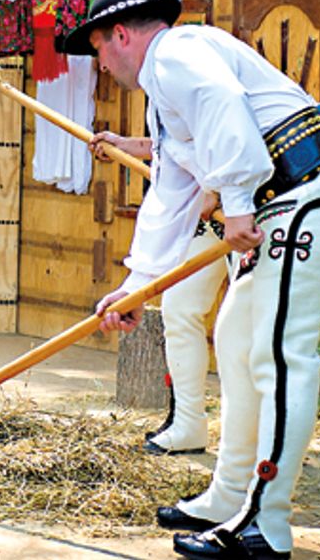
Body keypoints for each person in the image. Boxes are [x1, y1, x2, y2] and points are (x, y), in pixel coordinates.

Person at [67, 0, 320, 560]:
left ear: (121, 35)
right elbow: (171, 199)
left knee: (281, 355)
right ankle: (229, 494)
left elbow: (227, 107)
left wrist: (237, 205)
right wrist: (135, 288)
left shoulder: (178, 51)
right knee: (232, 338)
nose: (100, 62)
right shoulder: (164, 90)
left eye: (99, 48)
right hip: (286, 203)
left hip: (305, 195)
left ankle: (264, 523)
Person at [92, 128, 228, 456]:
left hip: (259, 209)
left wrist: (222, 190)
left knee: (248, 328)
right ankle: (188, 424)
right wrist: (129, 146)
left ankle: (263, 441)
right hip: (208, 216)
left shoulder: (218, 79)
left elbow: (238, 132)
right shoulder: (163, 83)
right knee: (179, 309)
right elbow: (178, 145)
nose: (105, 71)